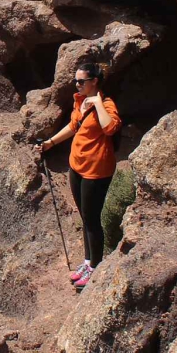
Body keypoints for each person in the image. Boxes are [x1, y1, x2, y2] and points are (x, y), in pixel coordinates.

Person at [37, 64, 122, 290]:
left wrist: (96, 103)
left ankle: (95, 267)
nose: (77, 85)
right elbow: (74, 126)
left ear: (94, 81)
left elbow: (110, 128)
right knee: (85, 216)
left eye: (81, 82)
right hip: (77, 166)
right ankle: (87, 261)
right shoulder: (79, 100)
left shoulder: (106, 104)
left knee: (93, 219)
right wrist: (50, 142)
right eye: (76, 81)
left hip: (96, 170)